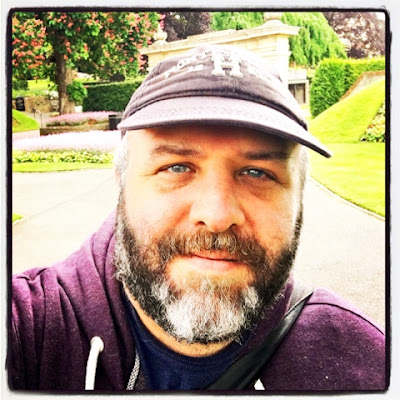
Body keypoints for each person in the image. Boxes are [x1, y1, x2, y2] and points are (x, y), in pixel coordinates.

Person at [9, 44, 386, 392]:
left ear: (299, 196)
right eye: (177, 167)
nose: (217, 216)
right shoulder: (29, 329)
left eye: (257, 173)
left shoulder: (363, 363)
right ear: (122, 183)